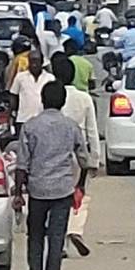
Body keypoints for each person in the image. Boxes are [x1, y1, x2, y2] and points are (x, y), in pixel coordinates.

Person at [15, 81, 91, 270]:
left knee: (35, 233)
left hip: (37, 189)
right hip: (62, 189)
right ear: (63, 101)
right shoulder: (71, 126)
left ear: (42, 99)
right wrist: (81, 185)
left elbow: (22, 164)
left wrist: (19, 193)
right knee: (56, 238)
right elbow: (84, 160)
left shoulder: (30, 126)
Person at [50, 54, 99, 257]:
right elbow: (92, 131)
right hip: (78, 152)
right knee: (79, 195)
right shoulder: (84, 98)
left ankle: (59, 243)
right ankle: (75, 229)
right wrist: (94, 159)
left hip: (53, 152)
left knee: (57, 198)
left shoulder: (50, 95)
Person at [11, 50, 55, 125]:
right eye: (31, 61)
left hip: (44, 120)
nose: (34, 65)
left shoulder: (50, 78)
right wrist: (13, 113)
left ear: (42, 62)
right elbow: (13, 95)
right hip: (23, 119)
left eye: (37, 61)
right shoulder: (20, 77)